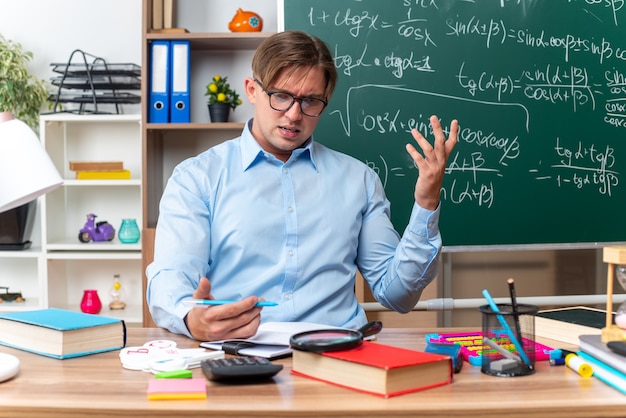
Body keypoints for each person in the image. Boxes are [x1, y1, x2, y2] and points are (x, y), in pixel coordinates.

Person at [146, 30, 458, 341]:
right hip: (240, 354)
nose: (294, 115)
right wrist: (190, 318)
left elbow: (398, 295)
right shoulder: (196, 178)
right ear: (252, 90)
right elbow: (171, 277)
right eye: (281, 95)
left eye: (310, 101)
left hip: (340, 357)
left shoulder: (359, 180)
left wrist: (426, 202)